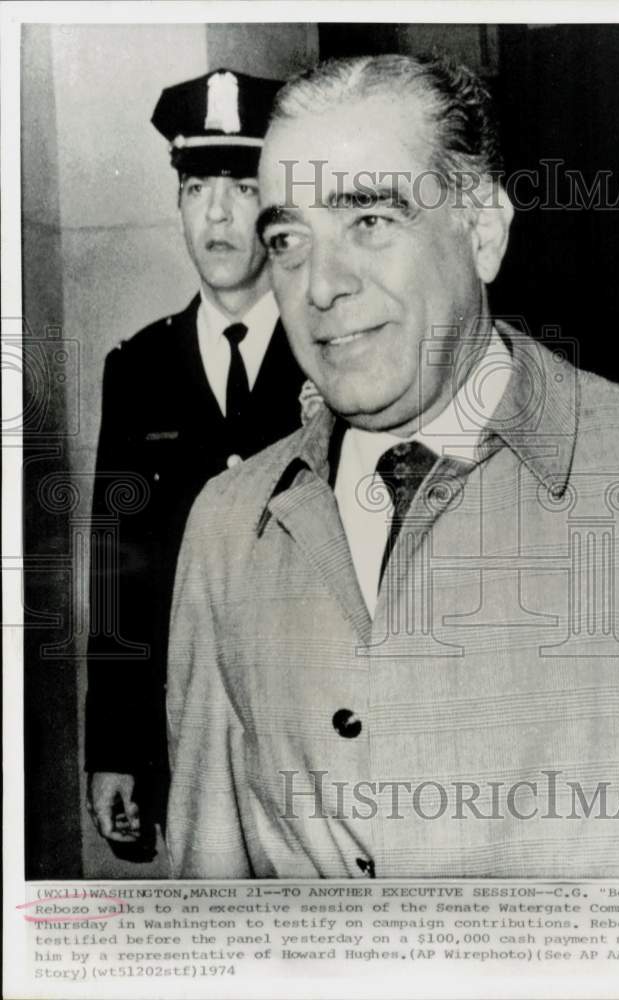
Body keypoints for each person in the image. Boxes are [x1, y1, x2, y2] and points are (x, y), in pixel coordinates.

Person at [166, 54, 619, 879]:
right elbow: (207, 887)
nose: (320, 285)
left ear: (481, 230)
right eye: (286, 239)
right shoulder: (229, 523)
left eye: (369, 220)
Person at [85, 68, 306, 858]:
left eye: (240, 187)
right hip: (190, 727)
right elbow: (120, 569)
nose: (214, 213)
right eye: (193, 187)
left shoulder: (331, 351)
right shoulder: (139, 367)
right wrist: (114, 748)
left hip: (314, 726)